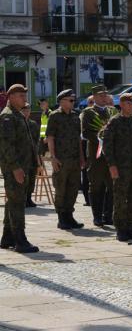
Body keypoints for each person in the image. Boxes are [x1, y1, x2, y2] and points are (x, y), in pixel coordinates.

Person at [102, 93, 132, 242]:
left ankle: (130, 227)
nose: (131, 106)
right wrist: (112, 165)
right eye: (128, 103)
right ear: (121, 105)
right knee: (120, 199)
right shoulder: (114, 122)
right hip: (121, 167)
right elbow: (107, 146)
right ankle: (120, 229)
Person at [0, 84, 39, 253]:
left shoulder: (17, 114)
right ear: (12, 97)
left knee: (14, 201)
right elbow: (6, 145)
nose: (25, 98)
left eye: (24, 95)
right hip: (14, 167)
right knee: (17, 203)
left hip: (23, 165)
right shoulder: (8, 116)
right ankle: (20, 240)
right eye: (21, 95)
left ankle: (7, 237)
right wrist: (15, 168)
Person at [46, 89, 85, 230]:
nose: (73, 102)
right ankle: (62, 218)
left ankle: (69, 215)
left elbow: (78, 139)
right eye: (70, 100)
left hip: (74, 159)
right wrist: (53, 158)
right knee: (61, 189)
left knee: (73, 189)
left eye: (73, 100)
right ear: (62, 101)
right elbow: (50, 138)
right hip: (61, 160)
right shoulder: (54, 116)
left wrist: (82, 157)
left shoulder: (76, 116)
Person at [81, 85, 117, 227]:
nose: (104, 98)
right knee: (96, 185)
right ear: (94, 97)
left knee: (111, 186)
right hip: (96, 155)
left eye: (105, 95)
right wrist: (101, 138)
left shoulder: (112, 111)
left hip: (111, 155)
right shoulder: (88, 112)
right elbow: (85, 133)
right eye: (101, 95)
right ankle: (97, 216)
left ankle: (108, 215)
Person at [21, 103, 40, 209]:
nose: (26, 111)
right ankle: (23, 199)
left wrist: (37, 154)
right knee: (24, 178)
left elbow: (37, 140)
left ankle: (29, 198)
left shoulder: (33, 124)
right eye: (23, 109)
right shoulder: (18, 123)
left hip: (32, 155)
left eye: (27, 110)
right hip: (22, 157)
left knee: (32, 178)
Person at [80, 95, 95, 207]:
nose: (92, 104)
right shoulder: (83, 115)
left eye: (94, 102)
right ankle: (88, 199)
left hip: (98, 148)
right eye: (90, 102)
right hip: (85, 146)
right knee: (86, 175)